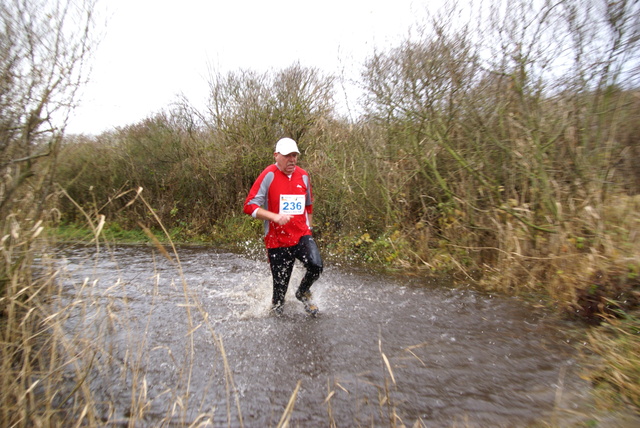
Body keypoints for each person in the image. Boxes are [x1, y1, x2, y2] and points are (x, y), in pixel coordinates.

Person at [243, 137, 323, 316]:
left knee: (316, 265)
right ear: (276, 156)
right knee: (279, 301)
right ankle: (278, 329)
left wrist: (308, 229)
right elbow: (249, 206)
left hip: (301, 234)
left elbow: (308, 205)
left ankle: (303, 292)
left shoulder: (303, 175)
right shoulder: (268, 175)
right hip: (277, 241)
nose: (292, 159)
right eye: (287, 156)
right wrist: (274, 217)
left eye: (294, 155)